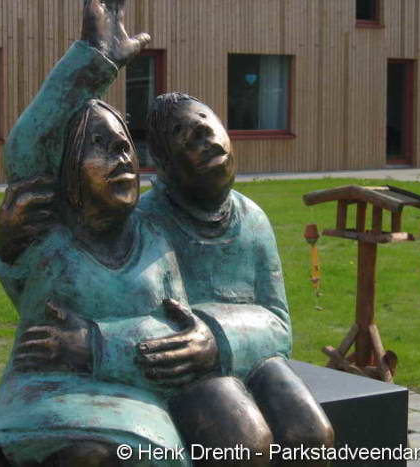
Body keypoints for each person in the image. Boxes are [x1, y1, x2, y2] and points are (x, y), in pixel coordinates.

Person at [0, 2, 275, 466]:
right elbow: (27, 146)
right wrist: (93, 60)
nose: (120, 158)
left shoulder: (153, 236)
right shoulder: (49, 229)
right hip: (57, 393)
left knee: (242, 440)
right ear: (68, 171)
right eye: (100, 147)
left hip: (136, 388)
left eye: (125, 147)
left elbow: (172, 327)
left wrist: (101, 345)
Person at [138, 92, 334, 464]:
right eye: (182, 134)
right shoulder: (145, 224)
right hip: (185, 371)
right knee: (243, 445)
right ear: (163, 165)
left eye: (206, 124)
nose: (202, 137)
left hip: (253, 356)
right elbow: (149, 322)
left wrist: (218, 338)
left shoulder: (252, 219)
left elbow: (280, 326)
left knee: (311, 434)